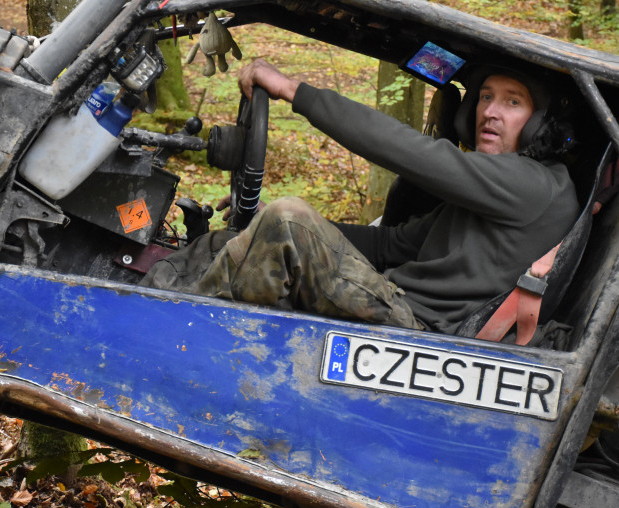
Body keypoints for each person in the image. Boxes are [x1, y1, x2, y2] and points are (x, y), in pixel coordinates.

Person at [144, 57, 581, 335]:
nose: (489, 112)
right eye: (486, 97)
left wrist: (295, 92)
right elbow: (387, 245)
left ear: (541, 123)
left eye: (512, 102)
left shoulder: (536, 185)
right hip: (396, 306)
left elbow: (416, 153)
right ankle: (144, 304)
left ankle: (175, 335)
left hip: (422, 335)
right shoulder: (495, 190)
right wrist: (261, 226)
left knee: (289, 221)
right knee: (240, 235)